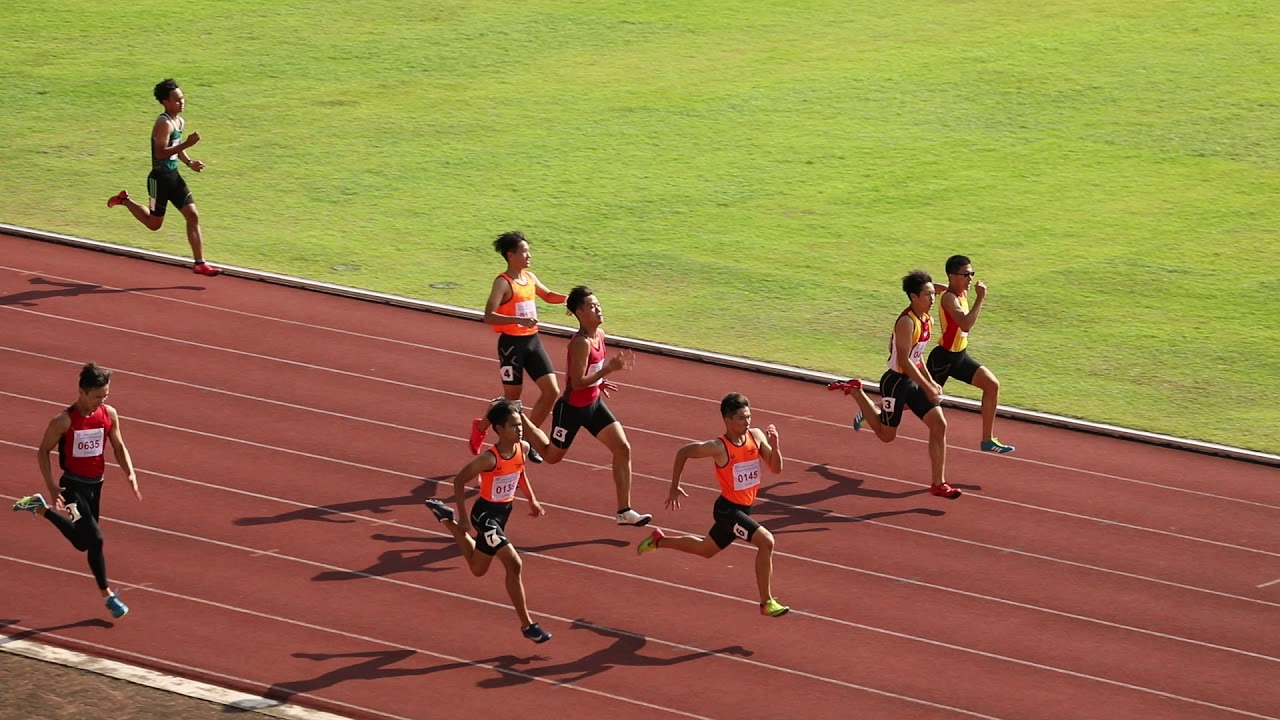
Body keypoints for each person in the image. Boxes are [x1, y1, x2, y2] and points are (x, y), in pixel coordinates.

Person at [636, 393, 789, 617]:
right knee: (766, 541)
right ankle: (766, 602)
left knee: (705, 550)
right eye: (741, 418)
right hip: (728, 510)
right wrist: (674, 486)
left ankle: (659, 541)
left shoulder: (755, 436)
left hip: (743, 509)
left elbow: (775, 469)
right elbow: (683, 452)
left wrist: (775, 447)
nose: (747, 422)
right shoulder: (719, 447)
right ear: (727, 421)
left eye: (749, 417)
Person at [13, 362, 141, 618]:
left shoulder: (109, 414)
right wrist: (51, 485)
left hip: (96, 485)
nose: (101, 401)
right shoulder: (63, 421)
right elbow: (42, 451)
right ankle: (108, 597)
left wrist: (130, 471)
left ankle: (39, 508)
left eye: (105, 396)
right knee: (96, 539)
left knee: (83, 542)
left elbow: (118, 445)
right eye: (97, 397)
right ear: (82, 391)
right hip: (72, 486)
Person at [521, 286, 652, 526]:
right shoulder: (580, 343)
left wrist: (601, 381)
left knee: (623, 448)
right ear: (579, 313)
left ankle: (624, 511)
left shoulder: (599, 335)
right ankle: (520, 420)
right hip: (571, 410)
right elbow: (577, 382)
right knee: (551, 457)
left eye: (598, 304)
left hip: (593, 405)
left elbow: (591, 375)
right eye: (591, 306)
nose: (598, 309)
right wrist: (607, 370)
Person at [424, 399, 552, 643]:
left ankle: (445, 519)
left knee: (478, 568)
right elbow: (459, 481)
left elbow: (520, 472)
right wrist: (464, 517)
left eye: (520, 425)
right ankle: (528, 625)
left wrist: (532, 500)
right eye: (514, 426)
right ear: (500, 429)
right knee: (514, 563)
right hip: (485, 515)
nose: (520, 429)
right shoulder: (488, 459)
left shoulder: (522, 448)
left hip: (504, 513)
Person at [829, 270, 961, 499]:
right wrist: (929, 387)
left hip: (913, 379)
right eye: (928, 295)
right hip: (896, 383)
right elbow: (905, 361)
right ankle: (858, 392)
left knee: (939, 424)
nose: (933, 299)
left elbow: (918, 356)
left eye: (933, 295)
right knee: (886, 436)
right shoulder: (906, 322)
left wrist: (930, 381)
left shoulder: (926, 319)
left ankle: (938, 483)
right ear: (913, 297)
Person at [467, 231, 568, 462]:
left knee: (552, 391)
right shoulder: (503, 282)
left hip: (532, 342)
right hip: (511, 345)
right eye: (524, 251)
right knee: (512, 402)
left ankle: (530, 437)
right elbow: (488, 316)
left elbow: (548, 295)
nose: (529, 255)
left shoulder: (530, 278)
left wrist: (572, 299)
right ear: (511, 255)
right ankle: (482, 425)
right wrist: (517, 320)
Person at [106, 78, 221, 276]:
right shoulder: (163, 123)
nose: (182, 102)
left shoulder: (179, 121)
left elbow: (174, 148)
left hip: (174, 177)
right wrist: (188, 144)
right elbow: (161, 152)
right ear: (165, 102)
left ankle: (199, 263)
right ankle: (124, 200)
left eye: (182, 98)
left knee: (193, 215)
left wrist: (189, 162)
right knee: (154, 225)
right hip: (159, 180)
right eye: (177, 100)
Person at [925, 255, 1014, 454]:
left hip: (960, 356)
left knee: (992, 385)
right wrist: (981, 298)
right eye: (965, 274)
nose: (970, 278)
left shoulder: (959, 291)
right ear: (952, 276)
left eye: (971, 273)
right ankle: (876, 408)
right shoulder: (950, 298)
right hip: (943, 359)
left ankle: (987, 440)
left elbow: (932, 286)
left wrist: (931, 286)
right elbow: (965, 323)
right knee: (919, 400)